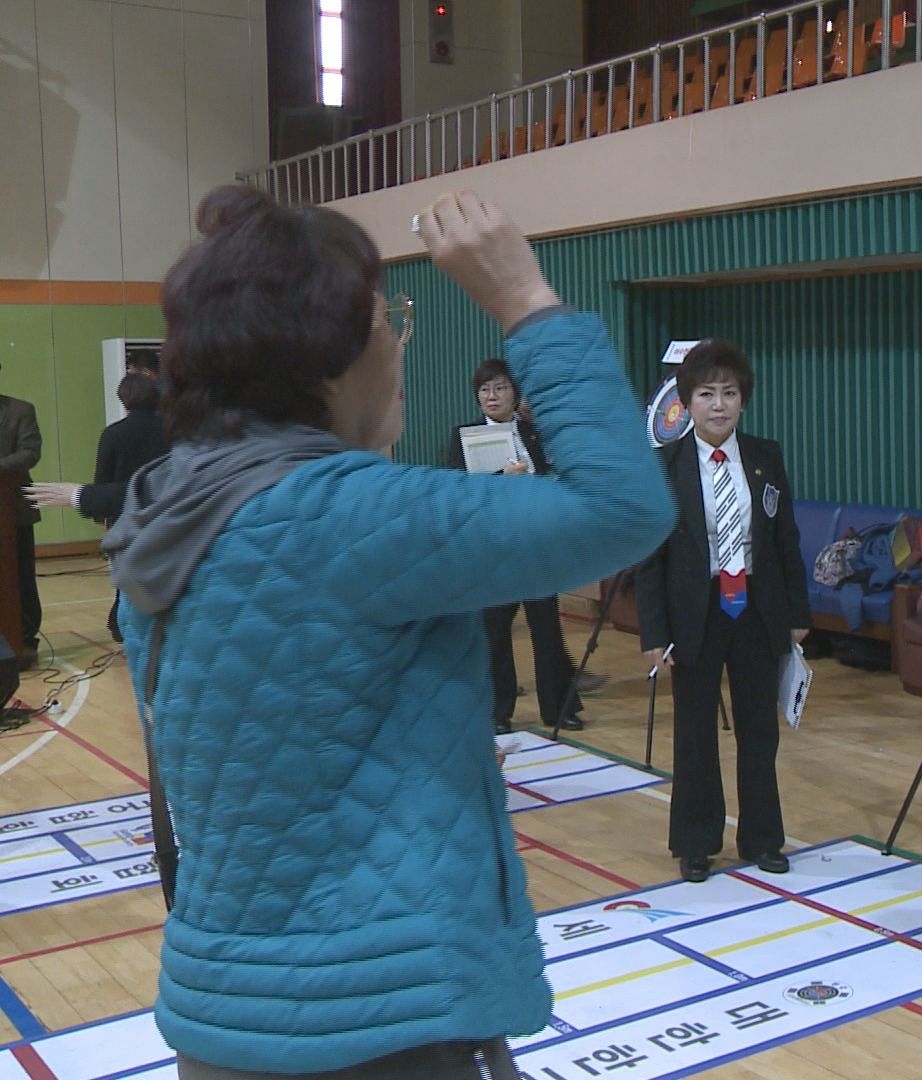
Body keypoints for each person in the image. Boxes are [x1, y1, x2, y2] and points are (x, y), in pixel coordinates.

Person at [106, 186, 674, 1077]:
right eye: (386, 320)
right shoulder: (346, 517)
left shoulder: (164, 510)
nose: (397, 346)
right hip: (378, 1028)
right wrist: (526, 302)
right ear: (327, 358)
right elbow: (623, 507)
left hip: (223, 1020)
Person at [635, 339, 809, 884]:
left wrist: (798, 612)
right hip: (696, 611)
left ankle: (762, 839)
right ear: (686, 402)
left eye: (729, 393)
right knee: (694, 733)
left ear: (743, 400)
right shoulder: (664, 466)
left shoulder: (765, 457)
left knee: (760, 729)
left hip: (756, 606)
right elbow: (651, 559)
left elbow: (785, 539)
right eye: (706, 393)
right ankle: (695, 842)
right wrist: (653, 634)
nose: (718, 404)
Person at [445, 358, 586, 733]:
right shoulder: (465, 435)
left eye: (500, 388)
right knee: (494, 632)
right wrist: (499, 478)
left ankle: (558, 708)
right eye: (485, 389)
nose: (492, 396)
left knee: (547, 629)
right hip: (493, 550)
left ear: (515, 393)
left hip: (536, 547)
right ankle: (498, 712)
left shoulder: (534, 433)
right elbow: (458, 493)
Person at [25, 372, 168, 641]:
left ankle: (123, 623)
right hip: (163, 512)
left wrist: (97, 511)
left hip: (123, 511)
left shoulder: (113, 433)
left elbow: (103, 479)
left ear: (124, 401)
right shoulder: (172, 430)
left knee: (124, 571)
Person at [0, 371, 42, 664]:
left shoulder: (20, 410)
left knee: (23, 578)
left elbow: (30, 453)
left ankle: (25, 640)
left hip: (12, 511)